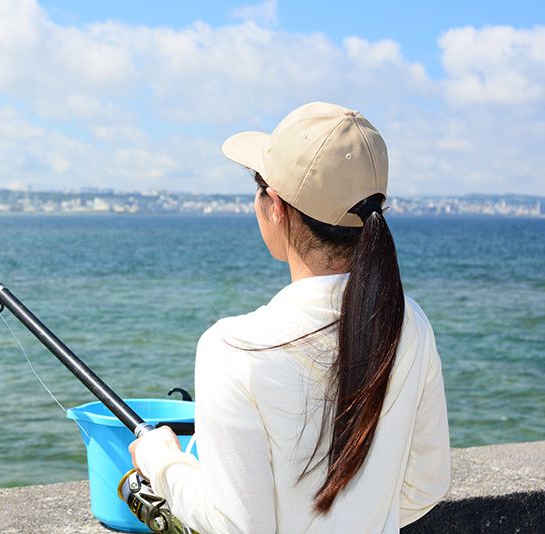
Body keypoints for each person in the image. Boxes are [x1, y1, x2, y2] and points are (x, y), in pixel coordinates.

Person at [129, 102, 450, 533]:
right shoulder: (410, 323)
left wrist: (161, 461)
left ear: (276, 207)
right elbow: (427, 483)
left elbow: (238, 526)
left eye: (259, 188)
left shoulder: (233, 349)